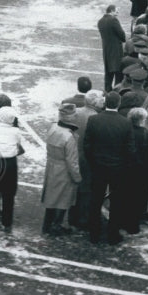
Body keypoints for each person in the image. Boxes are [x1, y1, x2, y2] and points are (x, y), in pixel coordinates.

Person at [82, 91, 134, 245]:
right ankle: (113, 234)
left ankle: (94, 233)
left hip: (98, 167)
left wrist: (93, 162)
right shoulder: (125, 123)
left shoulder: (94, 120)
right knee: (117, 202)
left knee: (96, 199)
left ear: (105, 103)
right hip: (117, 168)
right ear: (118, 104)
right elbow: (129, 149)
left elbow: (87, 145)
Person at [0, 106, 28, 233]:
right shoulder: (16, 131)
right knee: (9, 194)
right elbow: (20, 147)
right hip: (10, 164)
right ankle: (7, 222)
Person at [39, 103, 81, 236]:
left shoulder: (53, 128)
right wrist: (77, 177)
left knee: (51, 196)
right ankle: (57, 225)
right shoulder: (69, 137)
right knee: (63, 199)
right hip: (63, 170)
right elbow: (72, 160)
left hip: (51, 165)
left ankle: (47, 224)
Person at [67, 89, 102, 231]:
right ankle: (82, 219)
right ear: (96, 102)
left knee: (74, 186)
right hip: (88, 157)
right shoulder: (97, 118)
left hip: (74, 153)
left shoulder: (76, 112)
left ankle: (72, 217)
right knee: (86, 189)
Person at [126, 107, 148, 233]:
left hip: (127, 171)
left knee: (126, 197)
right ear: (143, 120)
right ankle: (133, 225)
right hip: (143, 173)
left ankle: (124, 221)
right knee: (139, 200)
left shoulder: (125, 133)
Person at [98, 5, 126, 91]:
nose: (117, 14)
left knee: (108, 74)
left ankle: (107, 93)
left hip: (106, 51)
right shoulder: (113, 20)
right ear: (112, 11)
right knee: (118, 74)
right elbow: (122, 34)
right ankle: (116, 94)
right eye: (116, 12)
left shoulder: (100, 21)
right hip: (116, 50)